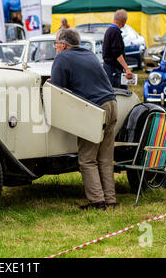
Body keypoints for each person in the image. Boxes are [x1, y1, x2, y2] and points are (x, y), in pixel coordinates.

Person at [50, 28, 118, 210]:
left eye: (56, 45)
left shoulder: (62, 58)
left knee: (87, 159)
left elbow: (56, 89)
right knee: (105, 157)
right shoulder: (89, 55)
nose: (55, 48)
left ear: (63, 45)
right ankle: (110, 200)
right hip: (112, 104)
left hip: (94, 109)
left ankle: (97, 201)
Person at [102, 9, 133, 89]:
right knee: (118, 92)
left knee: (123, 90)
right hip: (112, 69)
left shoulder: (110, 30)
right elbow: (117, 54)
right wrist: (127, 69)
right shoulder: (115, 32)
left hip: (111, 68)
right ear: (124, 21)